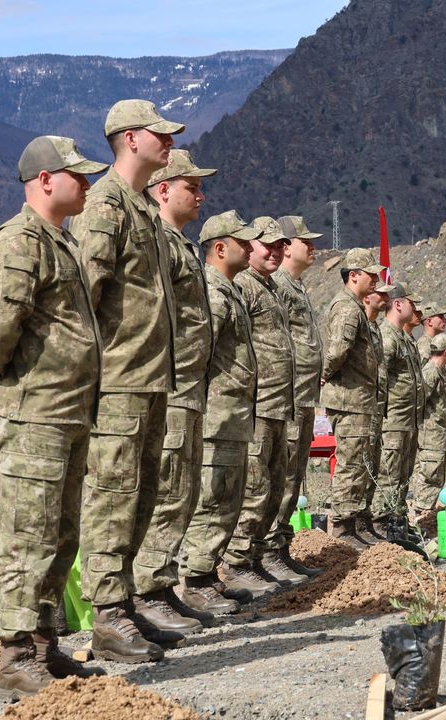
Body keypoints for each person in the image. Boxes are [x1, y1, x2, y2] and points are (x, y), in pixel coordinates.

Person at [0, 135, 108, 698]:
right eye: (77, 175)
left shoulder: (63, 241)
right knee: (28, 535)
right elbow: (2, 320)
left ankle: (44, 645)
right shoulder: (20, 240)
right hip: (36, 411)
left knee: (61, 535)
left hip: (69, 409)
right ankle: (14, 657)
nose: (87, 184)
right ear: (45, 180)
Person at [70, 99, 184, 664]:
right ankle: (107, 615)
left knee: (141, 496)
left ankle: (126, 603)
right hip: (117, 380)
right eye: (160, 134)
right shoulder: (104, 206)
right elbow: (83, 295)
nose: (170, 142)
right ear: (131, 138)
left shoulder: (141, 209)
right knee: (113, 497)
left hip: (150, 377)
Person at [132, 149, 215, 635]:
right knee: (167, 489)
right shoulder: (158, 241)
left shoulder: (179, 244)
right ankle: (147, 590)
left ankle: (161, 587)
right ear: (163, 190)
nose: (200, 196)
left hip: (189, 385)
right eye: (192, 187)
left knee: (182, 491)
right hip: (171, 383)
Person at [178, 211, 261, 616]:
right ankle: (194, 581)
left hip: (234, 413)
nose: (250, 248)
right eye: (243, 242)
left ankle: (208, 574)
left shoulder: (230, 291)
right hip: (218, 414)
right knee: (213, 498)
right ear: (221, 248)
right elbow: (200, 355)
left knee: (228, 498)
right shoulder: (212, 292)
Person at [227, 218, 301, 587]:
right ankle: (237, 563)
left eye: (279, 246)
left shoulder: (269, 287)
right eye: (266, 245)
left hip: (278, 404)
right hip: (257, 405)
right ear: (249, 247)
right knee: (254, 488)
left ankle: (259, 557)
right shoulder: (244, 285)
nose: (274, 252)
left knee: (274, 486)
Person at [269, 216, 325, 578]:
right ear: (287, 247)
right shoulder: (278, 285)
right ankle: (269, 550)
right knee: (282, 474)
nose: (313, 247)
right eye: (306, 241)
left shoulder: (296, 287)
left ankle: (280, 547)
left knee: (294, 474)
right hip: (286, 396)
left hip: (303, 395)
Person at [320, 248, 384, 550]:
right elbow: (336, 351)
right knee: (350, 463)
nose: (375, 280)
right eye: (370, 274)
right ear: (353, 275)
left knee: (359, 462)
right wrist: (323, 374)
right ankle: (342, 528)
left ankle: (353, 522)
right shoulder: (346, 307)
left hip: (358, 398)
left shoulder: (355, 307)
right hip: (348, 398)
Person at [375, 283, 424, 536]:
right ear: (397, 304)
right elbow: (380, 379)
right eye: (411, 304)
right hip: (393, 419)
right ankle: (382, 524)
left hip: (408, 420)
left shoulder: (404, 338)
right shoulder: (387, 335)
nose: (415, 309)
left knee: (403, 475)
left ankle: (397, 521)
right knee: (389, 475)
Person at [357, 281, 393, 541]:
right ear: (367, 298)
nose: (385, 298)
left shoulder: (376, 329)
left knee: (373, 467)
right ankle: (355, 526)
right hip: (361, 405)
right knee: (360, 467)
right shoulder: (360, 323)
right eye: (380, 293)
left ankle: (367, 522)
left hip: (377, 407)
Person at [412, 333, 446, 516]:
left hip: (437, 431)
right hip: (430, 432)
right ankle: (421, 511)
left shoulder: (439, 371)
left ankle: (426, 511)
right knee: (430, 472)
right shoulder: (431, 372)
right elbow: (419, 401)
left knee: (435, 473)